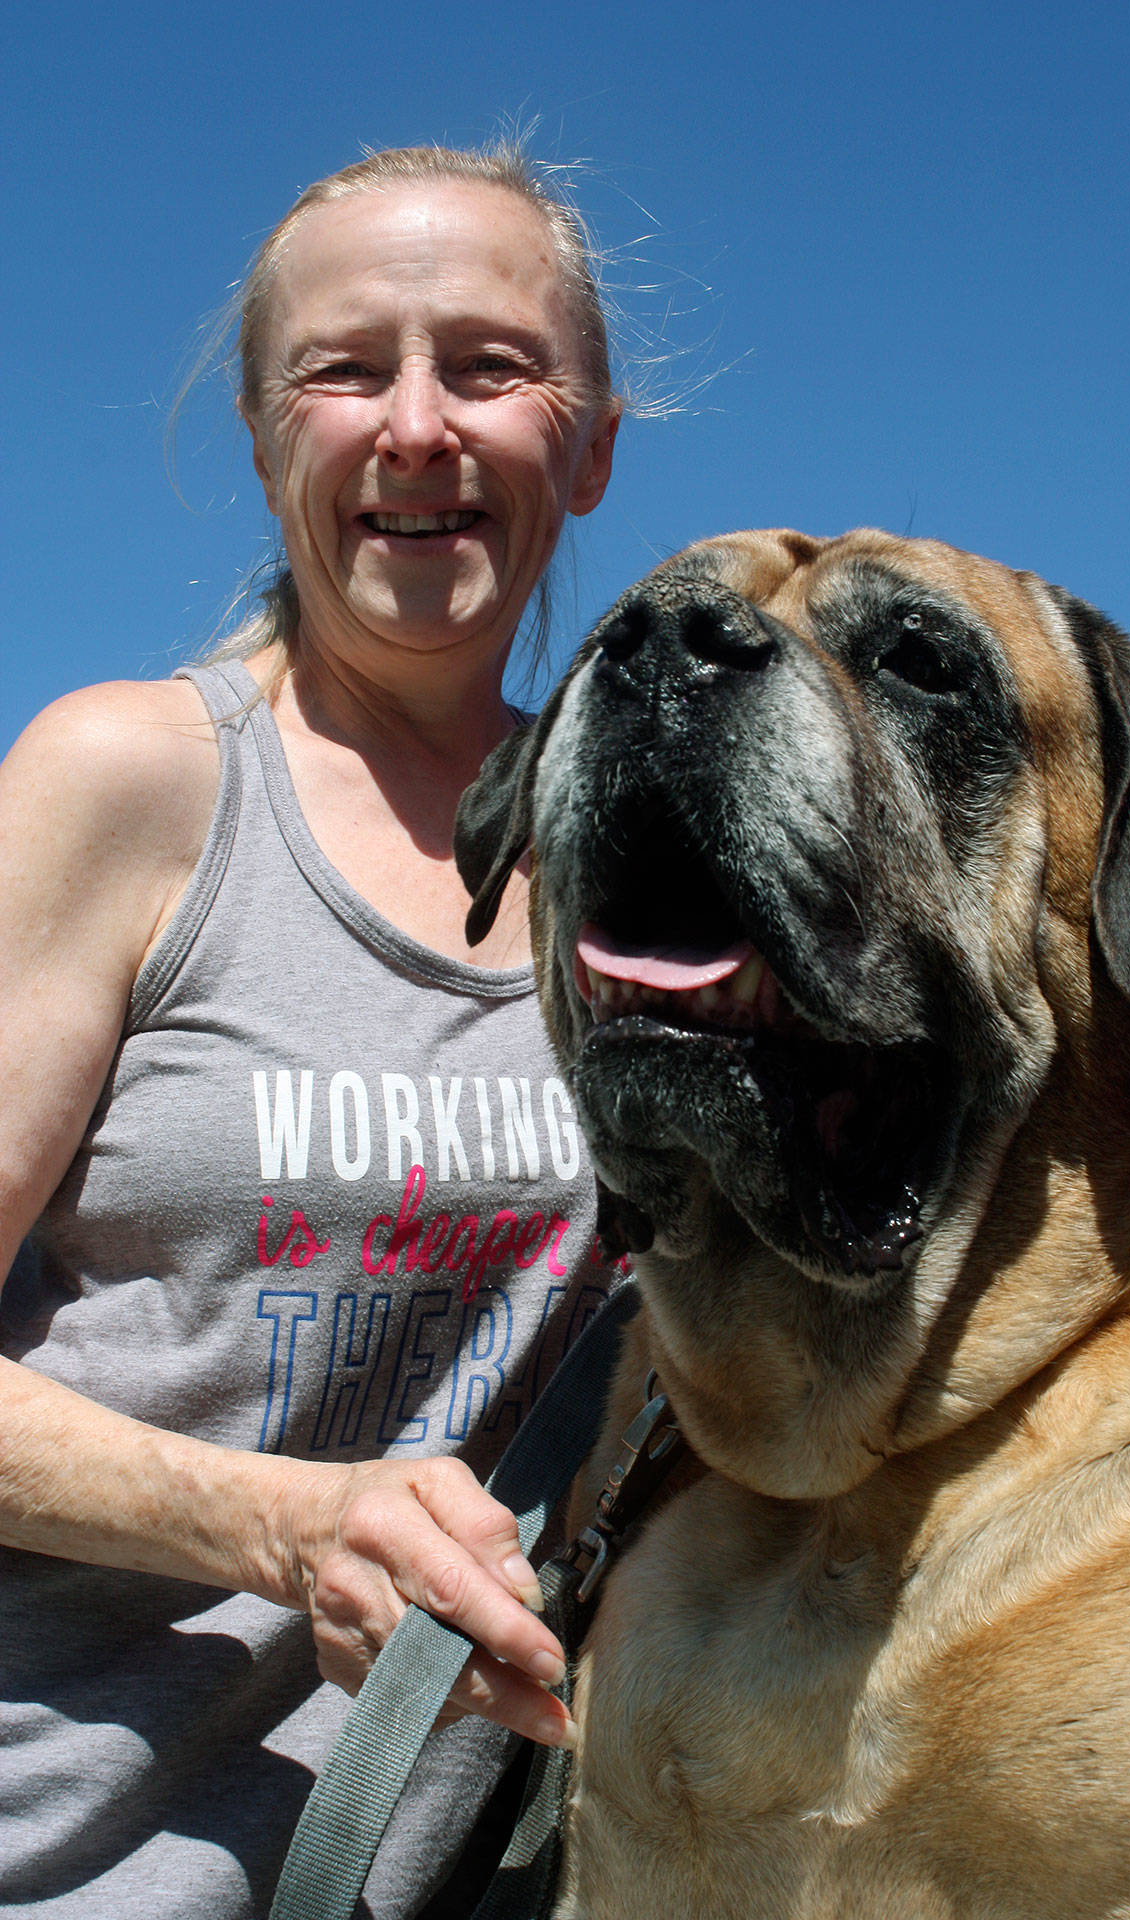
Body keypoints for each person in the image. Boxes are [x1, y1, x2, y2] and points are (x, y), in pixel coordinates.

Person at [0, 144, 623, 1918]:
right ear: (272, 438)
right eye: (349, 369)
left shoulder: (641, 866)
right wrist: (282, 1523)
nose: (418, 427)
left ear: (585, 446)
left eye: (490, 367)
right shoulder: (130, 782)